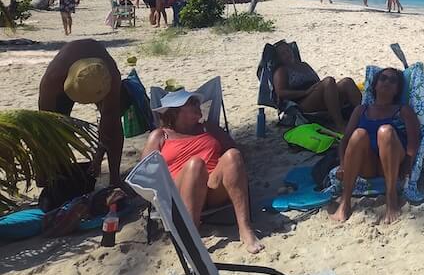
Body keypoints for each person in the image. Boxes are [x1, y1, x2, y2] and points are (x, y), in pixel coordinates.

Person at [141, 90, 263, 253]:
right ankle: (192, 235)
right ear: (176, 111)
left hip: (213, 190)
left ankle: (245, 229)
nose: (198, 105)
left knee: (233, 155)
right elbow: (145, 172)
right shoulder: (160, 136)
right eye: (192, 103)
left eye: (197, 102)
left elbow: (237, 155)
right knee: (196, 165)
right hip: (179, 193)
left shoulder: (208, 128)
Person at [330, 67, 420, 224]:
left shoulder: (403, 110)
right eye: (383, 78)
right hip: (368, 165)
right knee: (358, 134)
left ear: (397, 90)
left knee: (385, 131)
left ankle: (391, 198)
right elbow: (345, 140)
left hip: (393, 161)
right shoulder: (361, 110)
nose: (387, 82)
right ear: (375, 85)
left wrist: (408, 164)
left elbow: (414, 140)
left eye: (393, 81)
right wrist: (343, 165)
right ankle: (345, 201)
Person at [38, 39, 126, 185]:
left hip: (100, 82)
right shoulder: (53, 80)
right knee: (55, 129)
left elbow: (110, 123)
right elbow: (44, 125)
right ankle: (46, 176)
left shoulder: (110, 77)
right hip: (63, 79)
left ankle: (115, 179)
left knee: (113, 127)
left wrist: (98, 159)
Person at [270, 41, 361, 131]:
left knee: (346, 82)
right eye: (283, 53)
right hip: (301, 104)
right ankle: (339, 124)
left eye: (288, 50)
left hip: (315, 97)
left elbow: (318, 82)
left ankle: (366, 116)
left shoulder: (304, 65)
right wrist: (305, 92)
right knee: (329, 81)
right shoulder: (281, 71)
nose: (287, 54)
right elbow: (281, 92)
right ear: (279, 58)